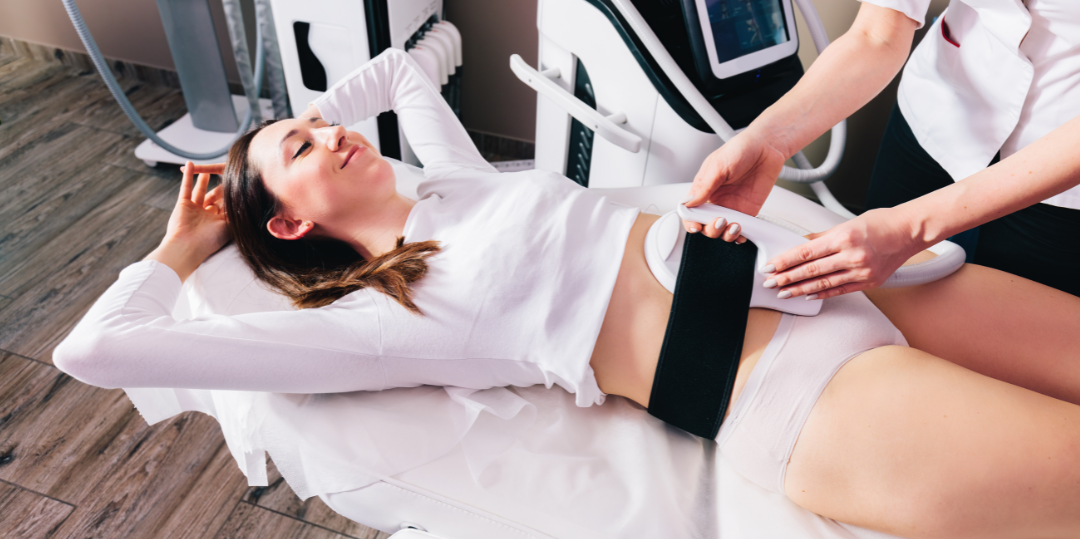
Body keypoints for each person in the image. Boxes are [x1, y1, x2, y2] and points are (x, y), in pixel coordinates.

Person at [54, 49, 1080, 537]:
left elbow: (402, 76)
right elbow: (96, 351)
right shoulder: (384, 323)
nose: (331, 134)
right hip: (796, 388)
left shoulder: (457, 188)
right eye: (306, 151)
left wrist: (291, 146)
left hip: (830, 275)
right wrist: (191, 238)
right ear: (288, 226)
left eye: (320, 128)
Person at [683, 0, 1080, 299]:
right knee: (878, 301)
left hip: (1059, 174)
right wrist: (768, 140)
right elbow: (877, 34)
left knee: (999, 334)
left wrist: (909, 227)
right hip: (939, 110)